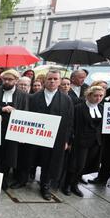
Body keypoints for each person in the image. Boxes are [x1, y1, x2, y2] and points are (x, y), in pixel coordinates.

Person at [26, 70, 74, 200]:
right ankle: (24, 179)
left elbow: (70, 122)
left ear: (59, 81)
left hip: (56, 138)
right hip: (35, 136)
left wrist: (66, 140)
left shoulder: (66, 100)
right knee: (32, 158)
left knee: (49, 162)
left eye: (55, 79)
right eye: (50, 79)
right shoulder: (34, 97)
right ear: (44, 81)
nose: (52, 81)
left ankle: (45, 186)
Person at [0, 69, 28, 190]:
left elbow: (25, 112)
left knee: (8, 156)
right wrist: (0, 109)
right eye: (5, 79)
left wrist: (16, 112)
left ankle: (3, 179)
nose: (7, 82)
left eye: (10, 79)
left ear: (16, 80)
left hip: (12, 130)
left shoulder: (22, 95)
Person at [62, 86, 105, 197]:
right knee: (76, 165)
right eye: (96, 95)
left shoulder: (101, 108)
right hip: (80, 141)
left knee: (85, 165)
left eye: (101, 96)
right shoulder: (78, 108)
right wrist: (70, 141)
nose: (98, 98)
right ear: (89, 95)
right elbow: (71, 125)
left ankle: (75, 185)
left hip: (96, 142)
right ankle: (67, 185)